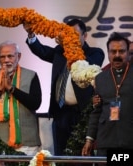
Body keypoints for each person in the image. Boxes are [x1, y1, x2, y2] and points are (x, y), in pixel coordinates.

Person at [23, 19, 105, 156]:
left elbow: (88, 65)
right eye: (67, 35)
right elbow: (43, 51)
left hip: (82, 114)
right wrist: (31, 34)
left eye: (74, 35)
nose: (70, 38)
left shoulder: (95, 53)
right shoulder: (60, 52)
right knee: (61, 155)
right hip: (60, 113)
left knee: (83, 157)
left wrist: (71, 48)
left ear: (84, 36)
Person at [0, 40, 42, 165]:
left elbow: (35, 103)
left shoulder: (31, 75)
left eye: (10, 56)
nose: (6, 60)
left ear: (19, 56)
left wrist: (12, 89)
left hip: (26, 143)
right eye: (2, 56)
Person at [81, 32, 132, 165]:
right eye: (113, 51)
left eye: (121, 51)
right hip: (106, 141)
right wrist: (89, 140)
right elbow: (96, 112)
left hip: (129, 141)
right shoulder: (100, 78)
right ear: (108, 53)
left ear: (128, 53)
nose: (117, 56)